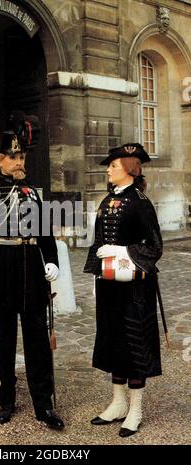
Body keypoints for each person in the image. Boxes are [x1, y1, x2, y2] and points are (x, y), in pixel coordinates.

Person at [0, 111, 64, 430]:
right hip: (0, 271)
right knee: (4, 342)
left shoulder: (35, 194)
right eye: (13, 156)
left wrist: (51, 260)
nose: (20, 162)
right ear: (0, 160)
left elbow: (46, 234)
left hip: (32, 273)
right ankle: (6, 400)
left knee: (37, 340)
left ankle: (43, 405)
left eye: (21, 156)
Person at [84, 143, 163, 437]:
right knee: (112, 339)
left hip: (135, 289)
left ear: (129, 170)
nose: (108, 170)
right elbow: (97, 242)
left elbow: (154, 247)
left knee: (134, 342)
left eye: (113, 166)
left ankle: (136, 409)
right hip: (109, 286)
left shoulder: (141, 202)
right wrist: (97, 276)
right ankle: (117, 403)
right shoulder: (107, 200)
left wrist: (121, 250)